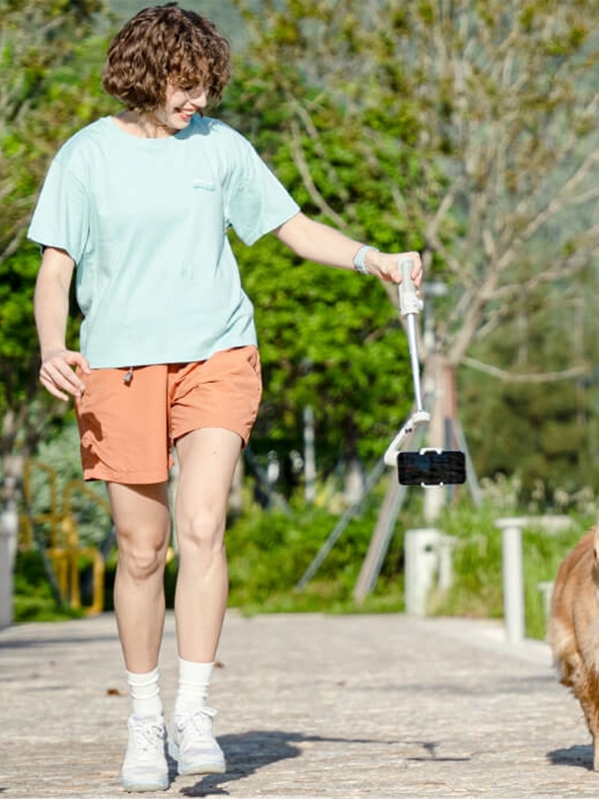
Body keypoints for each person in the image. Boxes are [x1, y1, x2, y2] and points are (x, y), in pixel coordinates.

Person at [28, 3, 422, 792]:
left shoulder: (223, 150)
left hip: (218, 354)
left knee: (203, 524)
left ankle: (194, 709)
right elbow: (56, 269)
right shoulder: (86, 156)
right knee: (143, 550)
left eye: (206, 85)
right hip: (118, 367)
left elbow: (291, 226)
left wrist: (370, 258)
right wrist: (51, 346)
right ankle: (145, 717)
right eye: (186, 84)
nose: (198, 100)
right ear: (147, 73)